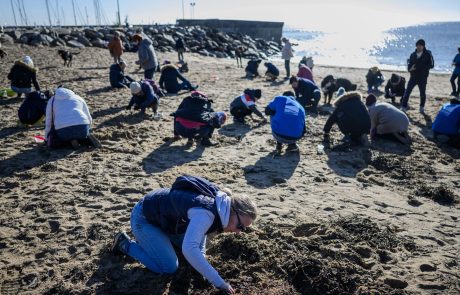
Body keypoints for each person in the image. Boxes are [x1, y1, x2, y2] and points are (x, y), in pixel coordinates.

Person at [111, 175, 258, 294]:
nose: (239, 232)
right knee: (168, 267)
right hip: (144, 218)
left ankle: (161, 243)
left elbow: (200, 241)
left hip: (166, 220)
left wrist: (201, 265)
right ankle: (124, 244)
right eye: (240, 226)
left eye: (243, 229)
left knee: (192, 254)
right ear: (234, 211)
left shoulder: (220, 206)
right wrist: (219, 282)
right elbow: (190, 249)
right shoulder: (207, 214)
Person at [401, 39, 435, 114]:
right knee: (407, 92)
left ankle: (421, 107)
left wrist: (420, 67)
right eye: (418, 45)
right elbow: (409, 67)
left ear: (423, 46)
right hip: (413, 77)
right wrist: (410, 69)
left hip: (422, 77)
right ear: (416, 46)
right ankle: (403, 106)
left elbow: (431, 65)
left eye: (421, 45)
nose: (419, 47)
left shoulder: (428, 54)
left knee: (422, 93)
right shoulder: (412, 55)